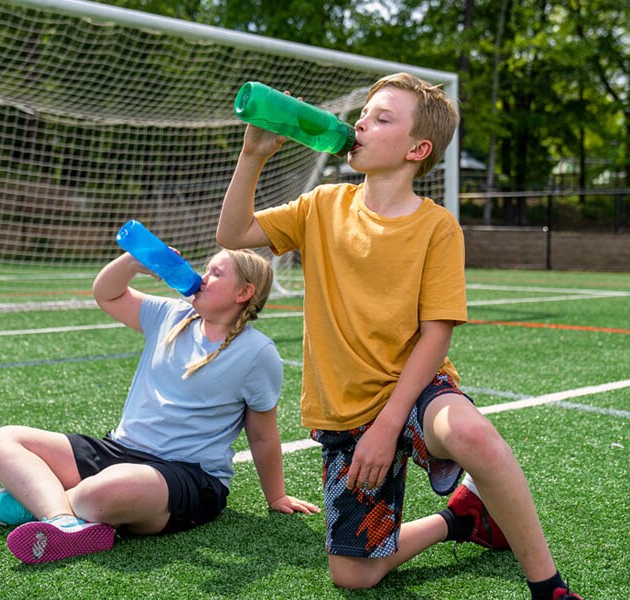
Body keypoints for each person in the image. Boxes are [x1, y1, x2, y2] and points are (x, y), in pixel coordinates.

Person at [217, 72, 582, 600]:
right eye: (365, 113)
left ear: (418, 148)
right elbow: (233, 236)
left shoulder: (437, 227)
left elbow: (437, 334)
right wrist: (252, 154)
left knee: (473, 433)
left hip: (414, 394)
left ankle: (549, 588)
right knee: (354, 575)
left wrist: (388, 426)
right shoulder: (321, 205)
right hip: (346, 413)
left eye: (382, 117)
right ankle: (462, 518)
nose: (361, 122)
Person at [0, 247, 320, 564]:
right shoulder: (171, 314)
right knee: (5, 440)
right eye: (207, 269)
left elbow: (262, 436)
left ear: (243, 293)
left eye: (216, 273)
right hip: (119, 450)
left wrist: (276, 497)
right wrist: (132, 261)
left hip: (188, 475)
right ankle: (63, 520)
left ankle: (41, 504)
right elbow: (107, 294)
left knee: (107, 488)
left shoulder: (258, 353)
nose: (203, 277)